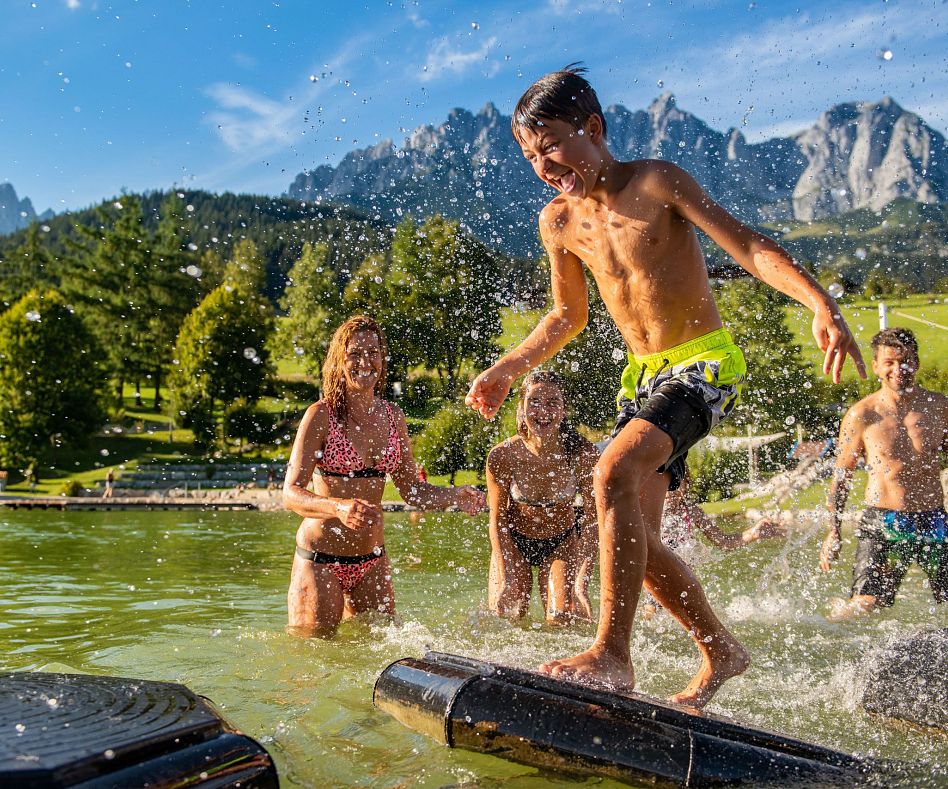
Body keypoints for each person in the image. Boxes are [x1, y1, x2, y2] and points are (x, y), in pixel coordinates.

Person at [465, 65, 864, 707]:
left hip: (700, 365)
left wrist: (818, 301)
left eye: (555, 144)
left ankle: (611, 656)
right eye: (531, 154)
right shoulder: (558, 222)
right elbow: (567, 316)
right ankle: (720, 649)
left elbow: (748, 246)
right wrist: (507, 368)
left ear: (594, 129)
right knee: (634, 538)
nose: (544, 164)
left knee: (608, 475)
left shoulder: (657, 181)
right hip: (644, 379)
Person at [284, 315, 485, 637]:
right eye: (355, 354)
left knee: (378, 654)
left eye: (373, 352)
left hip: (372, 560)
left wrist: (454, 496)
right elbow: (290, 493)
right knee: (315, 657)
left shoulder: (394, 416)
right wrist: (338, 507)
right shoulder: (321, 415)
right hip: (321, 559)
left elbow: (412, 491)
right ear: (339, 359)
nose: (366, 362)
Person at [819, 328, 947, 620]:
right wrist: (833, 531)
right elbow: (842, 477)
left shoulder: (939, 407)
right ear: (876, 366)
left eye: (906, 360)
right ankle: (830, 633)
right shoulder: (863, 414)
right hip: (884, 522)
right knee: (864, 605)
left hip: (934, 519)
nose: (898, 369)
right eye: (889, 362)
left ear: (916, 362)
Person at [486, 371, 599, 623]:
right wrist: (505, 576)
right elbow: (497, 518)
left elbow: (593, 520)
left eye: (552, 403)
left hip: (561, 542)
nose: (542, 412)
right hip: (514, 542)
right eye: (534, 402)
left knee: (561, 617)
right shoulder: (503, 456)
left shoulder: (583, 455)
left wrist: (581, 584)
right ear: (521, 407)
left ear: (564, 409)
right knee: (508, 614)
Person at [640, 471, 786, 620]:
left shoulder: (691, 510)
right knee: (652, 610)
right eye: (663, 484)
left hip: (685, 578)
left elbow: (724, 542)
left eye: (675, 484)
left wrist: (753, 533)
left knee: (693, 614)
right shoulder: (648, 511)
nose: (669, 491)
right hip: (656, 577)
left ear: (685, 485)